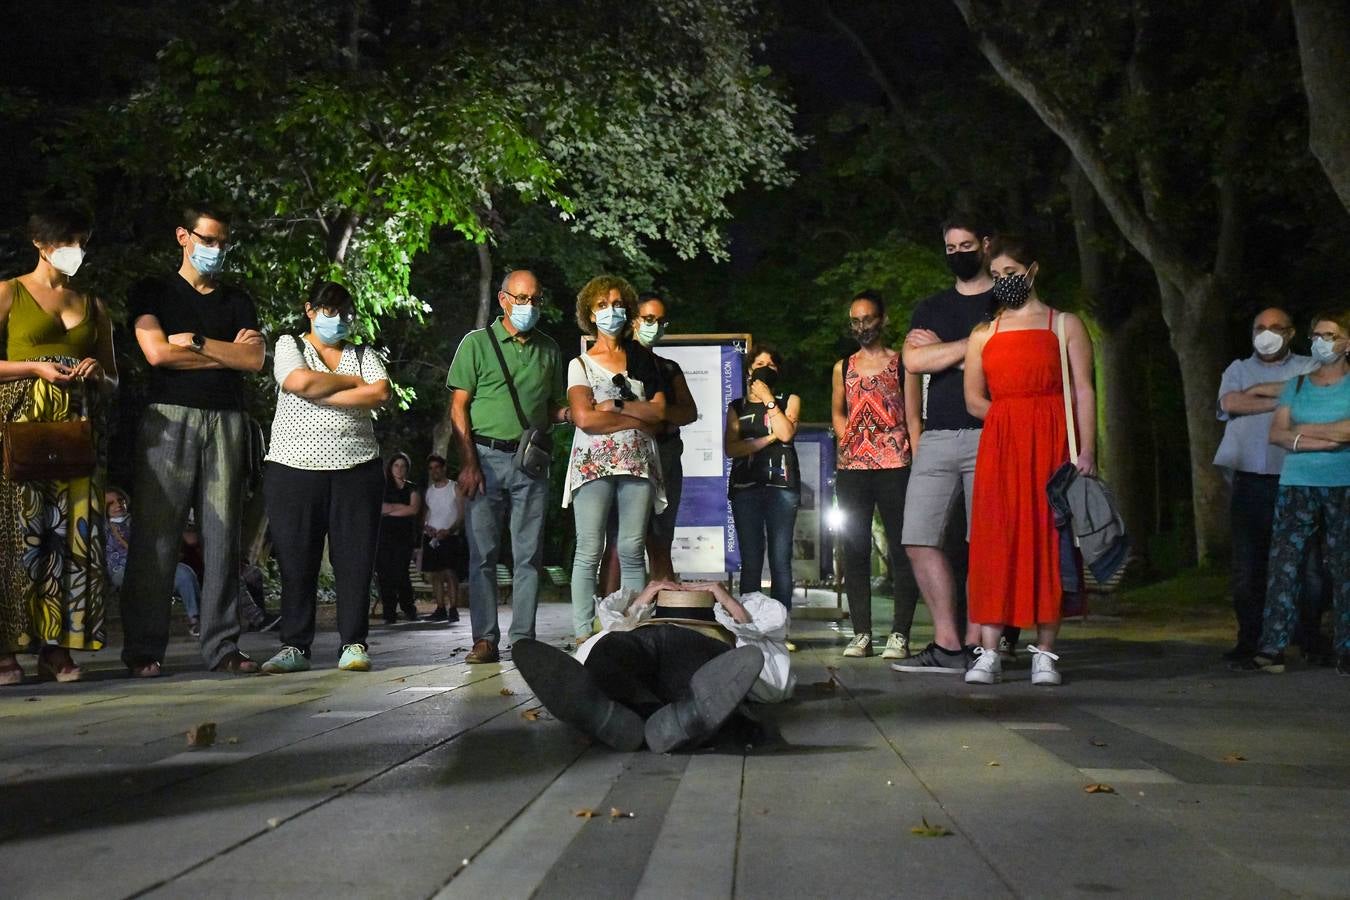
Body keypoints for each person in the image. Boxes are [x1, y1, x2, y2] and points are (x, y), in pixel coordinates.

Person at [120, 204, 265, 677]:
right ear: (183, 236)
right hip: (168, 419)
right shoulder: (153, 291)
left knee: (222, 537)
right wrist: (227, 354)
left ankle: (223, 647)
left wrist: (198, 344)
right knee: (155, 538)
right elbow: (157, 353)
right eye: (208, 239)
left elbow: (254, 361)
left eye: (223, 241)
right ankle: (144, 649)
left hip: (227, 421)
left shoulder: (238, 300)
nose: (216, 249)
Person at [961, 235, 1096, 687]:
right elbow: (974, 398)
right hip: (1002, 445)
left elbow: (1083, 390)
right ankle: (989, 651)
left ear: (1032, 270)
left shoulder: (1065, 325)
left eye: (1011, 273)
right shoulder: (985, 333)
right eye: (996, 276)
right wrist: (1009, 418)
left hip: (1052, 441)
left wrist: (1087, 451)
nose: (1004, 282)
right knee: (996, 538)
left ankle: (1046, 653)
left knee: (1047, 538)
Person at [0, 203, 117, 685]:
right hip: (21, 426)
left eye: (82, 241)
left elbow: (114, 378)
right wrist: (34, 367)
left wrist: (96, 374)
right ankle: (7, 648)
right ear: (39, 242)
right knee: (18, 534)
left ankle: (56, 648)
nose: (76, 250)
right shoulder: (9, 293)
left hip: (75, 429)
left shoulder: (94, 305)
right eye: (67, 240)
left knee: (71, 537)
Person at [259, 281, 390, 675]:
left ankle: (353, 643)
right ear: (310, 310)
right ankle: (295, 646)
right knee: (297, 561)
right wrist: (352, 384)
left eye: (346, 312)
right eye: (330, 311)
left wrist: (322, 391)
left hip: (358, 470)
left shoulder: (364, 353)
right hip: (293, 470)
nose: (339, 320)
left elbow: (380, 392)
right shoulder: (290, 346)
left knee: (355, 561)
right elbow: (296, 382)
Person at [512, 579, 794, 752]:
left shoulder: (743, 613)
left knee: (706, 675)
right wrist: (648, 595)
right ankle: (638, 716)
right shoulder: (638, 617)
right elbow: (614, 623)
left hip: (697, 647)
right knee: (608, 649)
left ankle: (645, 715)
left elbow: (772, 676)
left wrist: (723, 597)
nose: (685, 586)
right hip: (640, 638)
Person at [448, 270, 567, 664]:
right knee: (482, 554)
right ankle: (484, 638)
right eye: (521, 298)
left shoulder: (550, 349)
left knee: (528, 554)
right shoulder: (476, 344)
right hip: (484, 458)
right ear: (503, 300)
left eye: (534, 299)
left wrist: (577, 412)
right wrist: (468, 463)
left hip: (531, 461)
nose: (528, 306)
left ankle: (523, 639)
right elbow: (458, 407)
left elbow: (552, 408)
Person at [894, 214, 994, 675]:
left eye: (966, 245)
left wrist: (944, 352)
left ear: (986, 245)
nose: (957, 254)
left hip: (989, 434)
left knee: (985, 543)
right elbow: (914, 360)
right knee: (917, 537)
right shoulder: (930, 307)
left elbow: (1006, 352)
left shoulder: (1005, 300)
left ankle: (979, 643)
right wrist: (974, 342)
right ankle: (947, 643)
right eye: (950, 247)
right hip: (936, 437)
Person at [1239, 311, 1349, 676]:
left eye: (1330, 335)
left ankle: (1344, 648)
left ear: (1347, 343)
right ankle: (1272, 647)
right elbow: (1277, 433)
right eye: (1317, 334)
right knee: (1284, 566)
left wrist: (1303, 434)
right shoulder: (1297, 385)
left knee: (1343, 566)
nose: (1321, 342)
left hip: (1342, 484)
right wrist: (1324, 438)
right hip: (1296, 484)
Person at [565, 276, 667, 645]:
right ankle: (581, 633)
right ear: (590, 314)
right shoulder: (580, 364)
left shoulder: (642, 358)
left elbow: (658, 414)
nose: (612, 310)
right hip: (593, 464)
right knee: (589, 547)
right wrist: (635, 419)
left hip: (638, 463)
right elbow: (585, 418)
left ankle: (635, 630)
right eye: (603, 304)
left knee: (631, 547)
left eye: (618, 303)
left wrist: (617, 407)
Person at [1213, 308, 1317, 661]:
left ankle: (1308, 637)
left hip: (1299, 478)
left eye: (1275, 328)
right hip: (1250, 481)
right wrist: (1285, 400)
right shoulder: (1238, 370)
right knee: (1248, 567)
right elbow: (1230, 402)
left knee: (1307, 564)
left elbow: (1314, 401)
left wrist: (1259, 396)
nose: (1266, 333)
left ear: (1290, 333)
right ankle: (1250, 639)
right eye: (1260, 327)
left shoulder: (1308, 366)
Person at [831, 290, 922, 659]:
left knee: (903, 549)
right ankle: (861, 633)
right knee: (854, 548)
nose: (861, 326)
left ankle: (899, 633)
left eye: (867, 319)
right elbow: (837, 410)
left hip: (895, 465)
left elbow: (913, 416)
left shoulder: (903, 365)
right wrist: (845, 435)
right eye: (855, 320)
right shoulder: (843, 367)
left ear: (883, 319)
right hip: (853, 467)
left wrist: (919, 463)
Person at [598, 293, 699, 591]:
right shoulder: (616, 361)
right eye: (649, 319)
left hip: (664, 455)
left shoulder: (667, 367)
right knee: (618, 538)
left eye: (661, 321)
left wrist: (659, 415)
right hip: (625, 455)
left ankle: (660, 609)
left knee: (660, 537)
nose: (656, 326)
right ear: (634, 321)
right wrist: (639, 414)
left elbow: (689, 411)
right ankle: (608, 615)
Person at [725, 346, 801, 609]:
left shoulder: (789, 399)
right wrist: (768, 439)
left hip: (781, 486)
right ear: (749, 371)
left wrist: (769, 399)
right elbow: (732, 448)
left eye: (771, 364)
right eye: (759, 363)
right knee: (751, 557)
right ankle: (751, 624)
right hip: (745, 487)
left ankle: (782, 624)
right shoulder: (737, 406)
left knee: (781, 558)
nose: (765, 368)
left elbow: (787, 433)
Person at [421, 454, 467, 624]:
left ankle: (453, 608)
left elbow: (462, 513)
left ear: (444, 468)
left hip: (450, 537)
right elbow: (427, 513)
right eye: (431, 468)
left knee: (450, 573)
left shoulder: (454, 488)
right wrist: (426, 526)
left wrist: (450, 530)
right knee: (436, 575)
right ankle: (440, 608)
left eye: (437, 467)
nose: (434, 471)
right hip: (432, 537)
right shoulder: (430, 491)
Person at [376, 452, 421, 624]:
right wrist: (400, 508)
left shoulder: (412, 487)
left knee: (401, 573)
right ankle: (389, 612)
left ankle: (409, 608)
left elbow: (413, 509)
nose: (399, 468)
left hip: (404, 537)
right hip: (384, 536)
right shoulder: (383, 487)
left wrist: (391, 509)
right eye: (396, 465)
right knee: (384, 574)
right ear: (390, 467)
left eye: (403, 465)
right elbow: (380, 508)